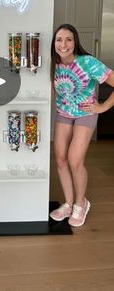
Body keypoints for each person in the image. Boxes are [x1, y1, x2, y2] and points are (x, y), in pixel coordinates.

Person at [49, 23, 114, 227]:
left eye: (68, 39)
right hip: (63, 113)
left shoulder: (88, 62)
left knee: (75, 160)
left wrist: (102, 107)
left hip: (85, 114)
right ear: (54, 43)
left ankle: (81, 203)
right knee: (60, 159)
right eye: (59, 39)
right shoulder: (54, 63)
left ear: (75, 42)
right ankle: (68, 204)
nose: (63, 44)